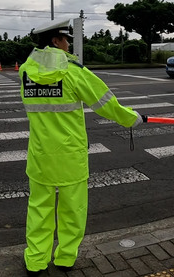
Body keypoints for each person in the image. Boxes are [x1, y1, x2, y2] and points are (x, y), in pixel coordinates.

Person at [19, 20, 145, 276]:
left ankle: (35, 260)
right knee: (72, 210)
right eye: (66, 41)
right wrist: (131, 118)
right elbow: (105, 102)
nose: (69, 46)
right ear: (56, 41)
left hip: (40, 154)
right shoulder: (72, 71)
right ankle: (65, 258)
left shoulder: (26, 71)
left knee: (39, 209)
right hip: (69, 155)